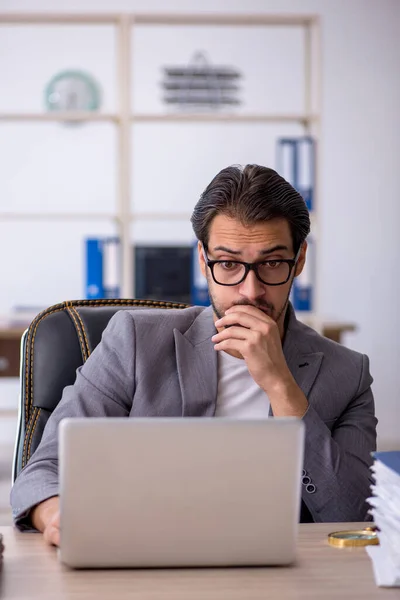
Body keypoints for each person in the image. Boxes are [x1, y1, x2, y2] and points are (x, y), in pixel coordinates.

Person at [11, 164, 377, 547]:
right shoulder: (134, 341)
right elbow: (42, 470)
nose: (249, 291)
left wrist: (281, 386)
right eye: (229, 264)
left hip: (279, 575)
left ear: (299, 261)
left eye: (271, 263)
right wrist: (57, 515)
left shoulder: (348, 374)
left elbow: (352, 517)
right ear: (203, 261)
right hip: (142, 559)